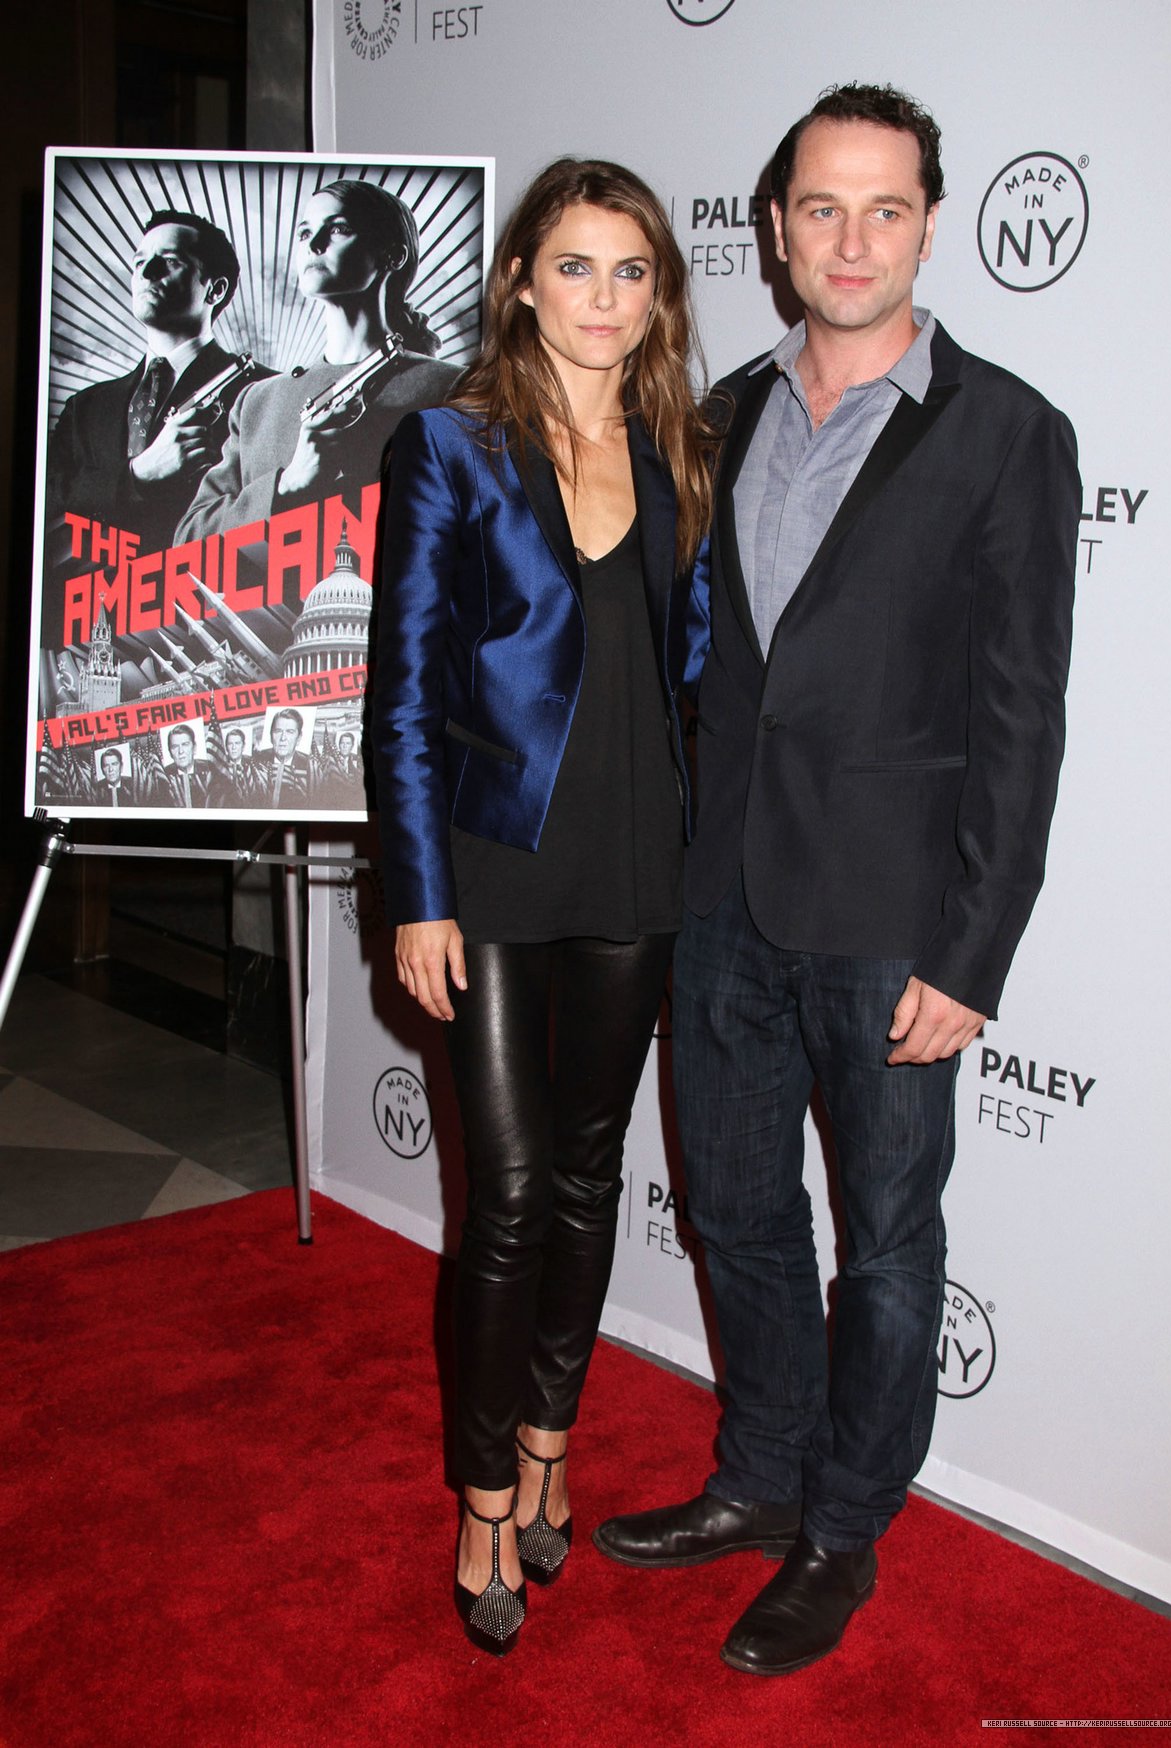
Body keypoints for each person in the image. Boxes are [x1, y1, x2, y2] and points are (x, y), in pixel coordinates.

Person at [593, 85, 1080, 1677]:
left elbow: (1022, 717)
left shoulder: (1008, 432)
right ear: (777, 225)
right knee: (736, 1217)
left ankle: (845, 1528)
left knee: (884, 1243)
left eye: (884, 208)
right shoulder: (717, 412)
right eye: (820, 207)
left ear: (931, 220)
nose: (850, 238)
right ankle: (757, 1477)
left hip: (890, 923)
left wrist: (975, 950)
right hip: (720, 897)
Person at [372, 158, 714, 1657]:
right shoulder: (448, 444)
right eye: (575, 268)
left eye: (630, 272)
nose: (602, 299)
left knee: (590, 1172)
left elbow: (691, 672)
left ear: (660, 295)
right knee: (505, 1193)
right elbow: (402, 687)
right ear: (522, 280)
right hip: (498, 863)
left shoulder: (678, 442)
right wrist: (420, 895)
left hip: (638, 860)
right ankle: (481, 1495)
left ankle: (555, 1439)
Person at [178, 179, 458, 546]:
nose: (313, 244)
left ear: (393, 255)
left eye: (338, 228)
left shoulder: (454, 388)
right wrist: (288, 484)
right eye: (304, 232)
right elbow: (188, 540)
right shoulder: (256, 403)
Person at [46, 209, 266, 558]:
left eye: (170, 261)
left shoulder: (265, 391)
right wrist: (137, 475)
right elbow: (48, 503)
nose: (147, 273)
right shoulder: (84, 408)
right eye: (140, 262)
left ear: (216, 289)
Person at [253, 707, 310, 808]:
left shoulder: (310, 767)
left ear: (299, 738)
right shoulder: (255, 761)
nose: (283, 738)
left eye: (290, 732)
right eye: (278, 731)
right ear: (271, 736)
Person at [158, 723, 212, 809]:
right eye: (175, 746)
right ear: (170, 752)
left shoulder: (209, 769)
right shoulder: (163, 777)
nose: (180, 751)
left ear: (194, 748)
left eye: (185, 744)